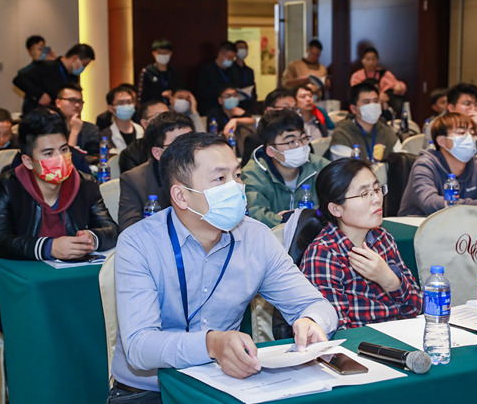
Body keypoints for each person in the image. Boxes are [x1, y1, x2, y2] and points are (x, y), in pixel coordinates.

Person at [110, 132, 337, 400]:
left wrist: (311, 321)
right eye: (220, 179)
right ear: (181, 196)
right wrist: (211, 344)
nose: (236, 187)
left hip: (224, 384)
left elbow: (317, 305)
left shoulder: (255, 237)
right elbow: (139, 346)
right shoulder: (139, 243)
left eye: (237, 175)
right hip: (149, 392)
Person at [0, 108, 118, 338]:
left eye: (64, 149)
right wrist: (50, 247)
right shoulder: (7, 187)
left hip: (74, 285)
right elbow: (0, 241)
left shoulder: (85, 184)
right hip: (23, 290)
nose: (59, 159)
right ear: (27, 161)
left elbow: (111, 229)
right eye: (48, 153)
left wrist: (92, 238)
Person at [301, 158, 422, 329]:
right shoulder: (324, 255)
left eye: (377, 189)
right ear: (336, 209)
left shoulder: (383, 239)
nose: (377, 199)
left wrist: (389, 280)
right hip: (362, 343)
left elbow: (417, 307)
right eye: (364, 194)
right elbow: (336, 331)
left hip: (399, 335)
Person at [242, 109, 329, 228]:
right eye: (291, 141)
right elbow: (256, 216)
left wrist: (297, 217)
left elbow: (339, 204)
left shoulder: (320, 166)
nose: (300, 146)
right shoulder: (253, 174)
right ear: (271, 151)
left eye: (303, 139)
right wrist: (292, 219)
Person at [118, 112, 195, 232]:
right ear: (158, 153)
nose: (188, 149)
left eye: (191, 141)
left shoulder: (207, 171)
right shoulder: (133, 180)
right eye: (178, 144)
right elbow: (130, 231)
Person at [13, 43, 95, 114]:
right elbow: (19, 79)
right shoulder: (48, 66)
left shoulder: (73, 77)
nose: (83, 68)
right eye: (84, 64)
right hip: (39, 116)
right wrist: (40, 95)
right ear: (75, 58)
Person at [329, 81, 401, 162]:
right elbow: (348, 167)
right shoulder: (342, 134)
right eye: (367, 102)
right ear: (354, 109)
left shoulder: (385, 130)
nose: (373, 106)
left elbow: (402, 158)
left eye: (376, 101)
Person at [425, 82, 477, 154]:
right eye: (467, 104)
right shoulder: (436, 125)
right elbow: (430, 156)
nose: (473, 109)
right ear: (451, 108)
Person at [240, 87, 297, 167]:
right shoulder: (256, 140)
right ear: (270, 110)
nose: (292, 113)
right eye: (286, 108)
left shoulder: (300, 138)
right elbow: (246, 171)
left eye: (294, 108)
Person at [118, 100, 171, 173]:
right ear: (144, 123)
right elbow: (133, 179)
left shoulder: (180, 145)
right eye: (158, 117)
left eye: (168, 116)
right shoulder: (131, 153)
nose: (165, 121)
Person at [349, 47, 407, 111]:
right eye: (368, 59)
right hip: (364, 109)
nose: (371, 62)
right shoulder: (356, 76)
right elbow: (355, 93)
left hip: (384, 108)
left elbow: (400, 86)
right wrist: (378, 96)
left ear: (377, 60)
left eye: (373, 59)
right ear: (362, 61)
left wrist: (399, 86)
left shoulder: (384, 74)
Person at [55, 83, 101, 157]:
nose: (77, 105)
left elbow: (93, 157)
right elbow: (65, 159)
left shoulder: (91, 129)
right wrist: (74, 132)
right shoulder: (51, 128)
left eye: (79, 101)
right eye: (71, 100)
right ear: (58, 103)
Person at [196, 41, 238, 115]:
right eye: (229, 58)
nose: (231, 60)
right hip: (210, 109)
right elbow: (201, 92)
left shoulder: (233, 70)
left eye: (233, 58)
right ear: (220, 54)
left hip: (229, 109)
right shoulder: (207, 70)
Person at [100, 85, 144, 153]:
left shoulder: (142, 131)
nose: (126, 106)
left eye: (129, 102)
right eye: (120, 103)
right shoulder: (106, 135)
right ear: (111, 108)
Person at [18, 35, 56, 113]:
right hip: (32, 106)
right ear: (31, 52)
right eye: (39, 49)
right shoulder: (25, 71)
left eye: (44, 49)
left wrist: (54, 62)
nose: (42, 52)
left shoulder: (52, 66)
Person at [138, 38, 181, 104]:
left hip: (171, 106)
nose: (163, 55)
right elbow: (141, 96)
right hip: (153, 106)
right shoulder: (147, 72)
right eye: (160, 53)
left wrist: (172, 93)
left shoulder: (174, 73)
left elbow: (178, 90)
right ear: (154, 54)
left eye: (165, 53)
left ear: (170, 53)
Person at [231, 40, 257, 112]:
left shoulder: (249, 70)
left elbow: (253, 87)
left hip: (249, 105)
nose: (243, 50)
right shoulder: (230, 69)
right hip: (235, 104)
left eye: (245, 48)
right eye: (240, 48)